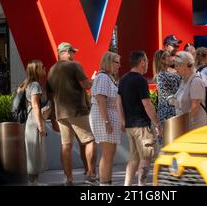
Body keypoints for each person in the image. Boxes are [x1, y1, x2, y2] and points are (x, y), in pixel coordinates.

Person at [47, 42, 97, 185]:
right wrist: (93, 79)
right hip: (76, 110)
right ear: (67, 52)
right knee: (89, 141)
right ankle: (91, 175)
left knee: (66, 145)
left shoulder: (52, 70)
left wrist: (52, 118)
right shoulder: (74, 65)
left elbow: (50, 95)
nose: (74, 55)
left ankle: (68, 179)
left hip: (60, 113)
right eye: (72, 52)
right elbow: (86, 85)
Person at [117, 50, 162, 186]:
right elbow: (147, 104)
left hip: (130, 125)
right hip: (142, 126)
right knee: (146, 158)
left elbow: (118, 100)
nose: (147, 64)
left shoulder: (124, 79)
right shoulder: (140, 80)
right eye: (146, 61)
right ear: (141, 62)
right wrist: (157, 123)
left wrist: (122, 120)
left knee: (134, 159)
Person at [90, 52, 121, 186]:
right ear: (108, 62)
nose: (119, 65)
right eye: (116, 62)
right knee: (108, 154)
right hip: (103, 118)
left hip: (107, 117)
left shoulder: (107, 78)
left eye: (119, 62)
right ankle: (105, 184)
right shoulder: (102, 77)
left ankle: (107, 182)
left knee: (109, 154)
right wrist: (107, 122)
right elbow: (101, 99)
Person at [19, 59, 47, 185]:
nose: (44, 68)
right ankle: (33, 181)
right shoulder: (35, 85)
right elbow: (35, 105)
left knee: (32, 151)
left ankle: (33, 180)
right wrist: (40, 125)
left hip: (31, 120)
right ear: (36, 70)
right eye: (42, 66)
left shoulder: (27, 84)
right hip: (34, 121)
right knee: (34, 151)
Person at [173, 52, 207, 131]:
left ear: (185, 65)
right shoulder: (183, 80)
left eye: (177, 65)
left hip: (194, 126)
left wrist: (182, 123)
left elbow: (195, 107)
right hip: (185, 125)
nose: (175, 68)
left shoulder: (196, 81)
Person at [152, 50, 180, 125]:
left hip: (174, 111)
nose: (171, 58)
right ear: (162, 60)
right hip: (167, 113)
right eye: (168, 56)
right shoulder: (161, 75)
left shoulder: (169, 73)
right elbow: (165, 96)